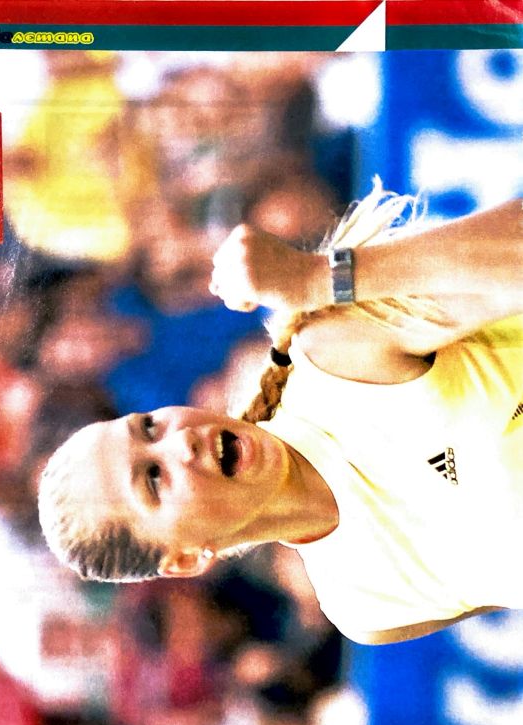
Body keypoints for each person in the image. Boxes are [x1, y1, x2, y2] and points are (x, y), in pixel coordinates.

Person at [38, 180, 523, 645]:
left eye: (149, 427)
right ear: (185, 561)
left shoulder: (332, 354)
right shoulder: (363, 610)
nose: (178, 441)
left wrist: (316, 278)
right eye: (153, 478)